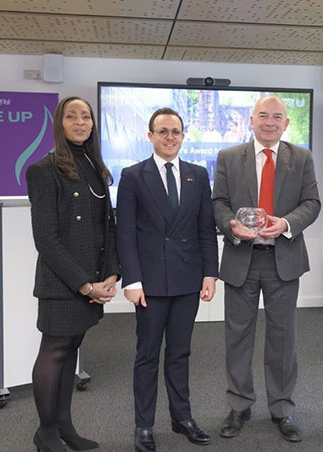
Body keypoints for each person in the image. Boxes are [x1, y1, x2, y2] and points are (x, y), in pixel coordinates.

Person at [212, 95, 320, 443]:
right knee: (237, 338)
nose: (270, 121)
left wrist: (286, 223)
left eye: (277, 116)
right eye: (263, 115)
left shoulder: (301, 157)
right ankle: (239, 405)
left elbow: (312, 203)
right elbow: (218, 203)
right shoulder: (229, 157)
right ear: (251, 120)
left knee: (283, 339)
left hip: (283, 259)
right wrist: (231, 225)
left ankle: (282, 409)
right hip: (242, 257)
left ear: (287, 123)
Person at [116, 107, 218, 452]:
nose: (170, 137)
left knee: (180, 353)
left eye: (175, 131)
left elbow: (206, 228)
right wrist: (132, 280)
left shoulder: (198, 175)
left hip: (188, 279)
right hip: (150, 284)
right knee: (147, 355)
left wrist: (209, 273)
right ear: (150, 136)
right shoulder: (132, 176)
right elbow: (125, 233)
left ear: (183, 136)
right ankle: (144, 424)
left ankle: (182, 417)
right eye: (163, 131)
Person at [26, 96, 120, 452]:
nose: (80, 122)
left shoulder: (95, 166)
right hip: (63, 283)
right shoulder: (43, 170)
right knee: (54, 351)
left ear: (93, 124)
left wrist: (111, 273)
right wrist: (84, 285)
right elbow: (46, 239)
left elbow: (107, 226)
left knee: (70, 351)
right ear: (59, 124)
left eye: (86, 116)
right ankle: (45, 433)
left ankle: (64, 426)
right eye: (72, 116)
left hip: (94, 280)